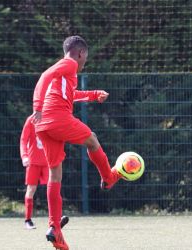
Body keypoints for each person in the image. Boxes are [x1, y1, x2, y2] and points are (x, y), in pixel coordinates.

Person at [32, 35, 121, 250]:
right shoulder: (70, 63)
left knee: (55, 174)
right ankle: (108, 177)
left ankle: (56, 231)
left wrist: (94, 95)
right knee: (92, 140)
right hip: (56, 119)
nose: (83, 63)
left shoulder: (64, 77)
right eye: (85, 59)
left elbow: (71, 95)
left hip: (43, 127)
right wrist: (38, 106)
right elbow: (44, 75)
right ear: (80, 53)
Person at [20, 115, 70, 230]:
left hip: (48, 161)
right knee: (31, 189)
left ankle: (56, 219)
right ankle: (28, 220)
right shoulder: (31, 120)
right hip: (33, 162)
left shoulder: (51, 118)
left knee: (53, 188)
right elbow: (23, 139)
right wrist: (24, 156)